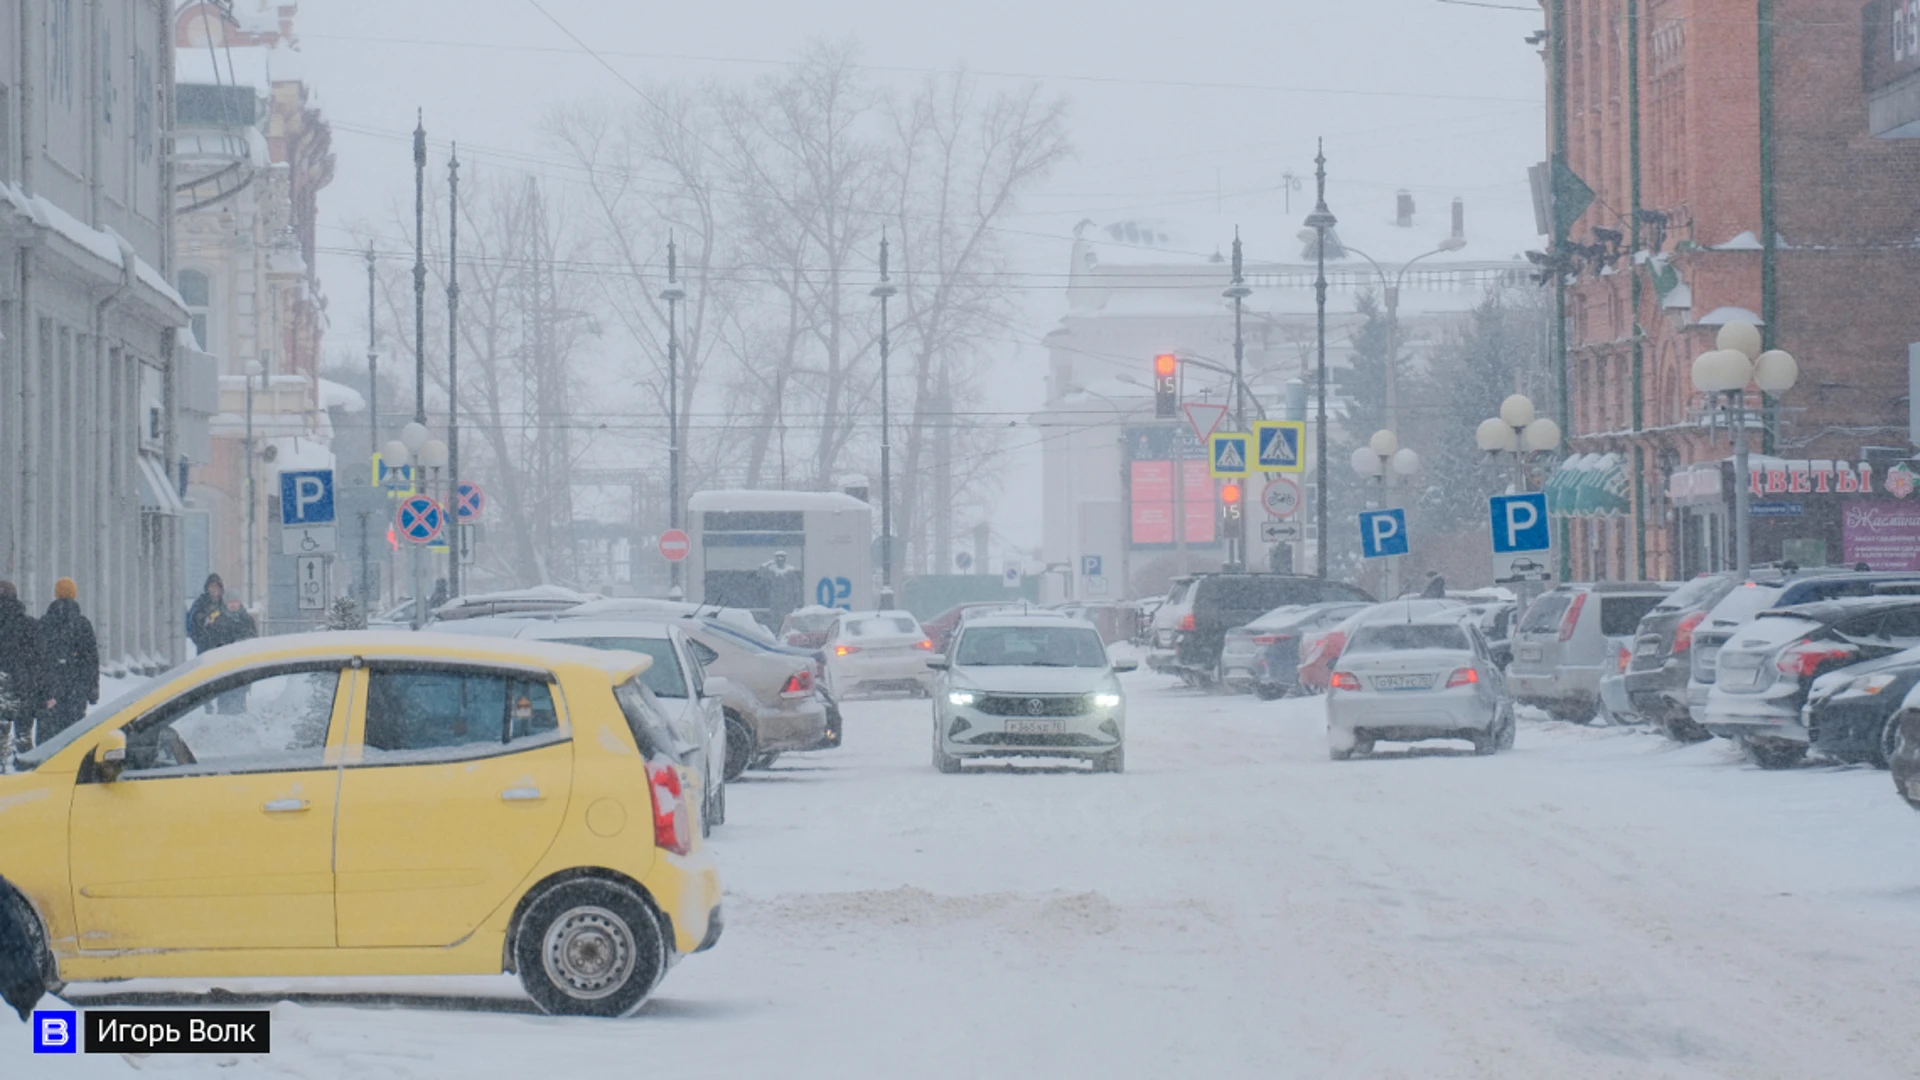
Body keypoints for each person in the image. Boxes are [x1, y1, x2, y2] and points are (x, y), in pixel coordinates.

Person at [37, 578, 98, 745]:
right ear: (74, 595)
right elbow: (91, 659)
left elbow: (37, 658)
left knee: (48, 735)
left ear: (56, 595)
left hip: (50, 689)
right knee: (74, 735)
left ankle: (46, 765)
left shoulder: (44, 623)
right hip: (76, 689)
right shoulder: (83, 624)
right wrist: (92, 688)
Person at [0, 581, 45, 757]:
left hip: (1, 687)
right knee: (24, 736)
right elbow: (40, 660)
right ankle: (25, 770)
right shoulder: (30, 625)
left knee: (1, 736)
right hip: (25, 687)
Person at [188, 574, 228, 655]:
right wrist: (203, 621)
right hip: (205, 649)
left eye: (216, 587)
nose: (214, 590)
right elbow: (192, 624)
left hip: (223, 649)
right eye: (211, 586)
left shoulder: (225, 604)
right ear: (207, 588)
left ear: (221, 589)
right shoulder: (200, 603)